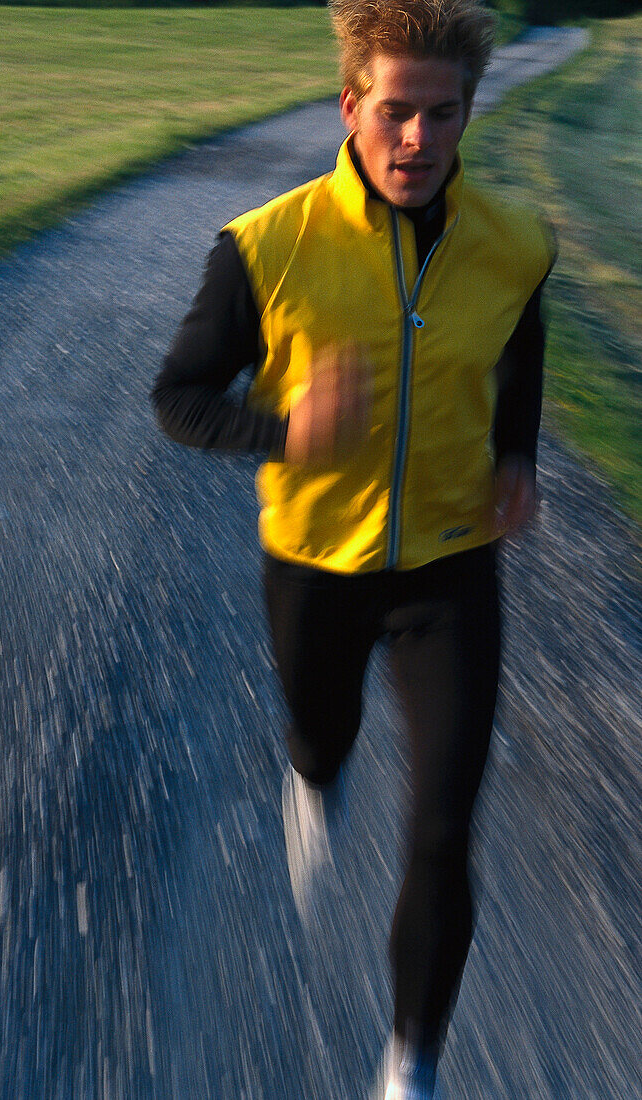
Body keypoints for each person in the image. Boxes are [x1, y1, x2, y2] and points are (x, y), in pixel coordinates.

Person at [152, 1, 555, 1095]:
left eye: (442, 113)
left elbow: (517, 363)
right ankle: (312, 773)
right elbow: (177, 399)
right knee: (320, 735)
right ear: (350, 106)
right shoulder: (265, 245)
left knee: (441, 824)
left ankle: (410, 1056)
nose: (417, 140)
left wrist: (513, 455)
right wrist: (288, 431)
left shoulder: (516, 248)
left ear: (469, 110)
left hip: (449, 569)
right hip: (314, 567)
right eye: (395, 112)